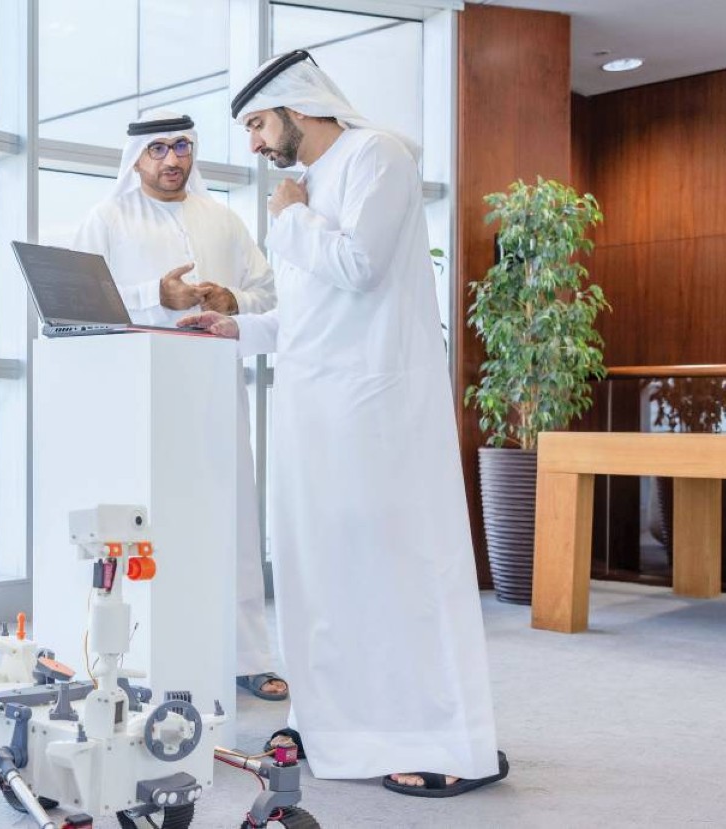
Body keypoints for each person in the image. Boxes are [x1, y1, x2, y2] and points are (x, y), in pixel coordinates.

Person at [178, 51, 509, 796]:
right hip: (313, 415)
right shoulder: (307, 185)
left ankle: (444, 739)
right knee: (321, 579)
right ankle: (335, 722)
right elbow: (305, 315)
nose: (254, 144)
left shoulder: (376, 157)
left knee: (394, 573)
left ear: (298, 106)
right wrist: (235, 328)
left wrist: (291, 217)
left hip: (374, 411)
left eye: (258, 125)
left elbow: (360, 266)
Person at [72, 112, 288, 702]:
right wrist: (154, 297)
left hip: (216, 391)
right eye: (159, 149)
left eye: (183, 147)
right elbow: (80, 303)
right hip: (139, 398)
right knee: (145, 523)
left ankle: (249, 657)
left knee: (232, 519)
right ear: (137, 158)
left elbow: (269, 293)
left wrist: (232, 298)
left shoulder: (223, 220)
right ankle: (140, 659)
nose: (173, 160)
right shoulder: (107, 220)